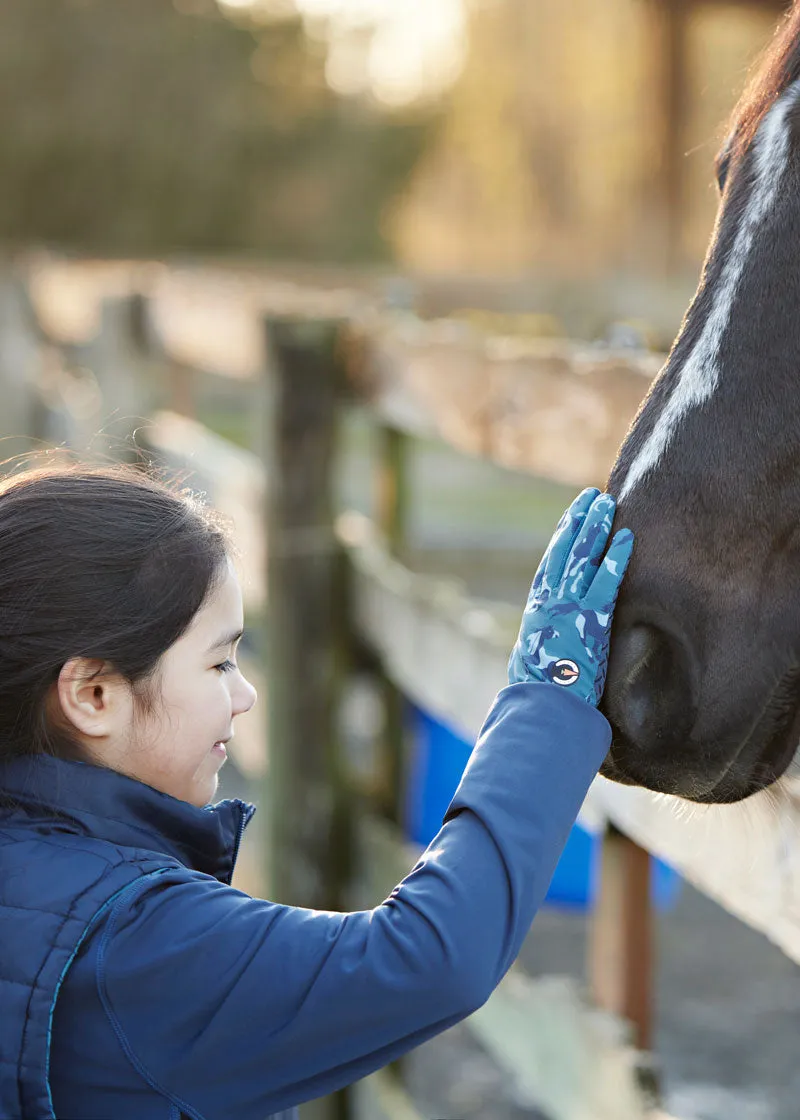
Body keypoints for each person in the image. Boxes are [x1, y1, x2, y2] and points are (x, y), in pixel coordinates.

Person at [0, 465, 634, 1120]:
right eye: (219, 663)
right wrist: (546, 702)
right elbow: (427, 960)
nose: (244, 696)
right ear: (93, 695)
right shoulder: (138, 944)